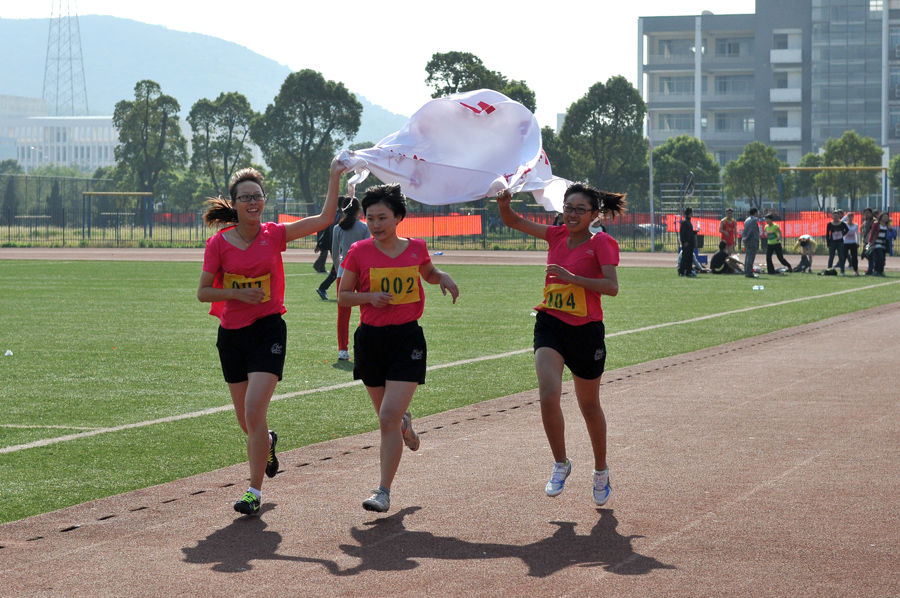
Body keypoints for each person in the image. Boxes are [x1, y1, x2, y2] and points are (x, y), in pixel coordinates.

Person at [197, 159, 346, 516]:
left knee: (254, 409)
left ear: (264, 200)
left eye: (258, 196)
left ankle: (253, 491)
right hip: (232, 335)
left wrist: (333, 175)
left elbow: (325, 219)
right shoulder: (218, 244)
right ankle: (267, 442)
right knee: (247, 422)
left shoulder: (275, 234)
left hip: (268, 329)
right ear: (233, 203)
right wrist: (235, 294)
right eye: (245, 197)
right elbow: (203, 292)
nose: (252, 202)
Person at [497, 183, 626, 507]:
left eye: (580, 210)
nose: (571, 214)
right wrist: (504, 203)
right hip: (551, 325)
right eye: (568, 208)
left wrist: (573, 278)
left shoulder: (603, 243)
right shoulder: (555, 235)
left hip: (586, 332)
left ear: (594, 214)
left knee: (589, 406)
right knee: (547, 395)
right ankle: (561, 463)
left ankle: (600, 470)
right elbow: (513, 221)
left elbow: (611, 287)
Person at [337, 184, 460, 513]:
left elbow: (428, 272)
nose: (376, 224)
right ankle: (405, 424)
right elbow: (343, 296)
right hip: (371, 340)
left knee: (386, 417)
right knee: (389, 417)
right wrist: (368, 298)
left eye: (382, 217)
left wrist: (442, 276)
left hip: (407, 340)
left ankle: (383, 491)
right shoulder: (359, 252)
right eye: (371, 218)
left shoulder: (415, 248)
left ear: (399, 217)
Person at [331, 195, 370, 360]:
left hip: (343, 272)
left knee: (343, 314)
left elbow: (334, 253)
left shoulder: (337, 229)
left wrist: (338, 268)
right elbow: (368, 251)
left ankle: (343, 349)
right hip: (361, 273)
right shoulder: (363, 227)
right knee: (366, 311)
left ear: (342, 209)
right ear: (358, 210)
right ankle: (364, 344)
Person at [313, 208, 341, 274]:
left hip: (325, 234)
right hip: (325, 234)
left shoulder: (331, 215)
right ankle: (319, 265)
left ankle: (319, 265)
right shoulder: (332, 215)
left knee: (325, 252)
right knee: (325, 252)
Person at [867, 211, 892, 276]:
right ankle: (877, 270)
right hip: (877, 243)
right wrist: (870, 242)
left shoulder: (887, 225)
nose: (886, 218)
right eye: (884, 216)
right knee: (880, 257)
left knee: (882, 258)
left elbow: (892, 234)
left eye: (887, 216)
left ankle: (880, 271)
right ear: (881, 217)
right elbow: (872, 233)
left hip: (884, 244)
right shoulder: (876, 224)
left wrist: (890, 227)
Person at [825, 209, 849, 275]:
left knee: (841, 256)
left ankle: (842, 271)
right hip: (832, 242)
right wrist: (828, 243)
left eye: (836, 215)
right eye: (834, 215)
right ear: (832, 216)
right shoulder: (829, 224)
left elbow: (847, 229)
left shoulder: (842, 224)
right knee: (831, 257)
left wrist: (842, 234)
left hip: (840, 242)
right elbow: (827, 234)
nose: (835, 217)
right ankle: (829, 270)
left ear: (839, 216)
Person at [742, 207, 761, 278]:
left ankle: (747, 271)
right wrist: (746, 238)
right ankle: (749, 272)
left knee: (747, 256)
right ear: (755, 213)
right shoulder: (753, 220)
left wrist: (744, 238)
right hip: (752, 241)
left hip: (747, 241)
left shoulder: (747, 220)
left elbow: (745, 231)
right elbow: (752, 231)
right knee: (751, 257)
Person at [679, 207, 697, 277]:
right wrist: (685, 241)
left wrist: (695, 232)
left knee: (690, 258)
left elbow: (689, 233)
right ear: (690, 213)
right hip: (687, 243)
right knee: (685, 258)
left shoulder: (688, 221)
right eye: (692, 212)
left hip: (690, 243)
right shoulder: (685, 222)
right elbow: (682, 234)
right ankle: (681, 271)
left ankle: (688, 271)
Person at [861, 208, 876, 275]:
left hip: (871, 241)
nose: (866, 214)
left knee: (869, 254)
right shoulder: (865, 221)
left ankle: (870, 269)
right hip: (867, 241)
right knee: (866, 254)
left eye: (867, 213)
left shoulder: (873, 221)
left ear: (871, 213)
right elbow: (862, 229)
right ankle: (873, 266)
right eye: (865, 213)